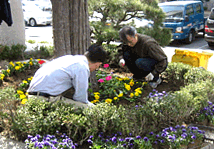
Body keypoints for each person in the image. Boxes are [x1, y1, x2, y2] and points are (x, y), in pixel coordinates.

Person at [27, 44, 107, 108]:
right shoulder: (82, 67)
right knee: (91, 110)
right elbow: (80, 98)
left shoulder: (68, 59)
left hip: (31, 97)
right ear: (98, 64)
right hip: (44, 99)